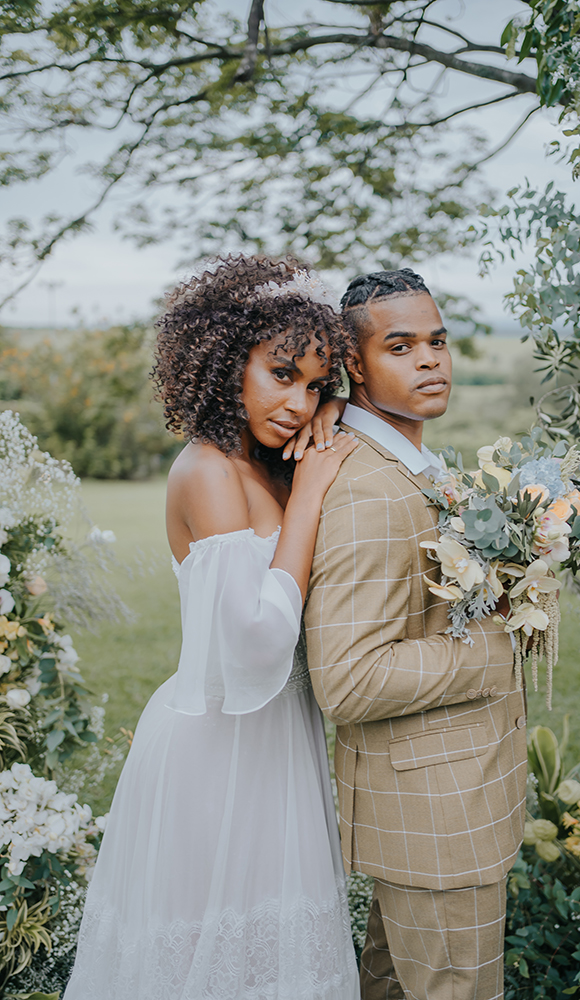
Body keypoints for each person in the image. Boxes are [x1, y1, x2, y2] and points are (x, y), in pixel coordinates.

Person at [64, 254, 361, 1000]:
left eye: (315, 384)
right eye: (281, 373)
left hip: (278, 744)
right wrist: (309, 499)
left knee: (272, 961)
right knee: (202, 959)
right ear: (229, 361)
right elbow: (256, 644)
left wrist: (334, 414)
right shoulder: (207, 472)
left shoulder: (275, 463)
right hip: (213, 752)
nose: (297, 401)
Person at [305, 269, 528, 1000]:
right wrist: (494, 649)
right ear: (355, 366)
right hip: (434, 818)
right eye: (400, 346)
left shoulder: (414, 466)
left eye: (436, 340)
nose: (430, 359)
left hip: (448, 807)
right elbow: (348, 677)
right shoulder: (368, 491)